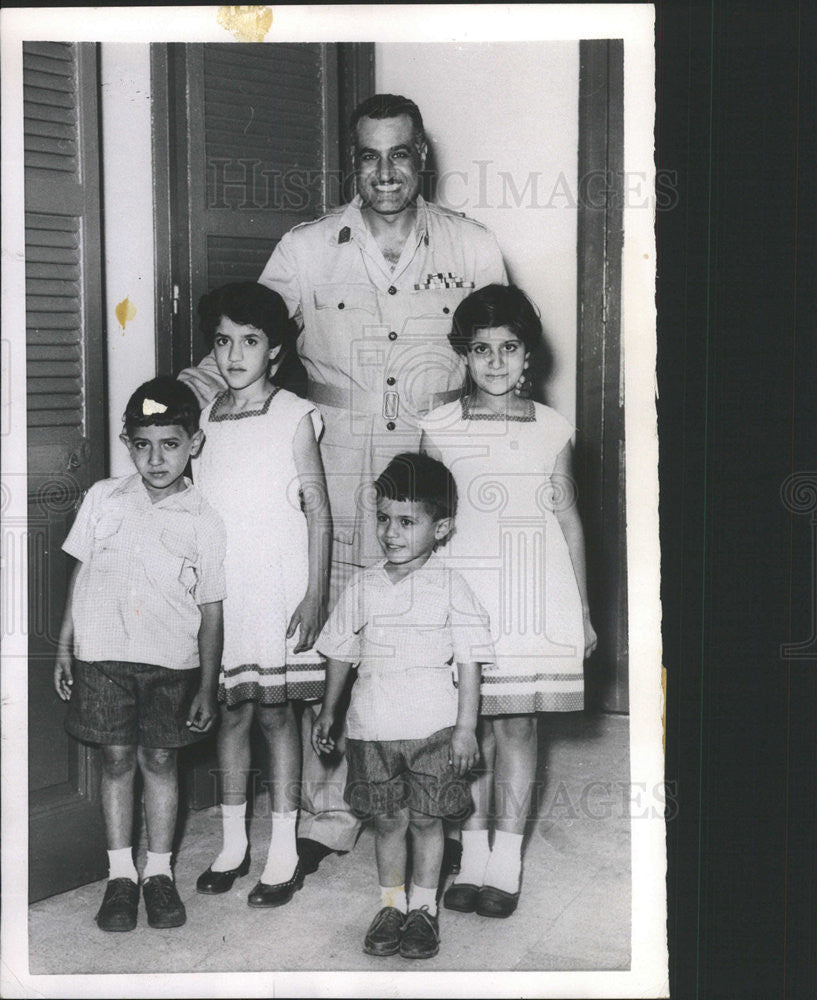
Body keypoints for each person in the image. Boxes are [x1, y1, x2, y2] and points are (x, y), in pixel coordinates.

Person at [179, 93, 507, 873]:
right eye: (369, 155)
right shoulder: (306, 248)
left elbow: (506, 347)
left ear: (422, 156)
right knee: (336, 626)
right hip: (336, 458)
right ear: (350, 161)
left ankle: (446, 806)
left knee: (440, 625)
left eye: (400, 154)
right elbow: (244, 342)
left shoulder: (471, 245)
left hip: (438, 456)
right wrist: (177, 406)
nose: (385, 171)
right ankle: (328, 815)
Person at [420, 284, 598, 918]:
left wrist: (579, 610)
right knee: (468, 735)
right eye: (480, 350)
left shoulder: (553, 428)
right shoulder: (437, 427)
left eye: (509, 348)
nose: (495, 362)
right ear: (464, 357)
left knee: (517, 726)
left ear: (529, 357)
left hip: (532, 596)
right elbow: (423, 520)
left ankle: (507, 858)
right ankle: (471, 852)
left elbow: (569, 519)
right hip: (465, 599)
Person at [53, 377, 226, 932]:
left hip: (171, 664)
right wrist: (65, 645)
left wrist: (205, 682)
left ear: (193, 444)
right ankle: (120, 875)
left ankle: (159, 873)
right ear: (128, 443)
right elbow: (79, 574)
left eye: (170, 444)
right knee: (117, 761)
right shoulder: (104, 497)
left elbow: (212, 608)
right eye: (143, 444)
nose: (156, 458)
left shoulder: (204, 519)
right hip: (101, 656)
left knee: (160, 761)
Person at [311, 453, 494, 960]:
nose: (391, 533)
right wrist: (329, 710)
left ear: (442, 528)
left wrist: (465, 728)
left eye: (407, 522)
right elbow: (342, 652)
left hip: (433, 728)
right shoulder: (363, 585)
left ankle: (423, 910)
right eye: (384, 519)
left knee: (427, 821)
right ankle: (391, 904)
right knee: (388, 821)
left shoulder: (450, 585)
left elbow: (471, 661)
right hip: (372, 727)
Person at [191, 282, 332, 908]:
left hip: (278, 584)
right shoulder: (205, 418)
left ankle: (282, 848)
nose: (234, 354)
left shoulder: (293, 414)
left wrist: (315, 594)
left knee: (277, 714)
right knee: (232, 712)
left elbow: (320, 514)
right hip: (226, 588)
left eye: (250, 341)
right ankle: (231, 844)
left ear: (274, 349)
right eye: (223, 341)